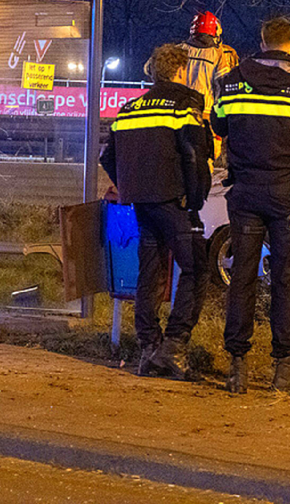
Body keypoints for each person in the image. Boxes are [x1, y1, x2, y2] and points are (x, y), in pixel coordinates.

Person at [212, 16, 290, 394]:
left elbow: (218, 126)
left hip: (245, 193)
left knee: (242, 278)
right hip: (287, 197)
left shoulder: (231, 82)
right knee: (285, 280)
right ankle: (284, 369)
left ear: (262, 42)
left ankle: (237, 368)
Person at [100, 44, 213, 379]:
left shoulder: (129, 108)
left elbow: (108, 157)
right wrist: (195, 198)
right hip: (175, 202)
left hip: (142, 204)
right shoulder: (185, 102)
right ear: (181, 71)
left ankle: (149, 347)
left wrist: (129, 185)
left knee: (150, 273)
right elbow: (195, 152)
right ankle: (174, 347)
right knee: (196, 269)